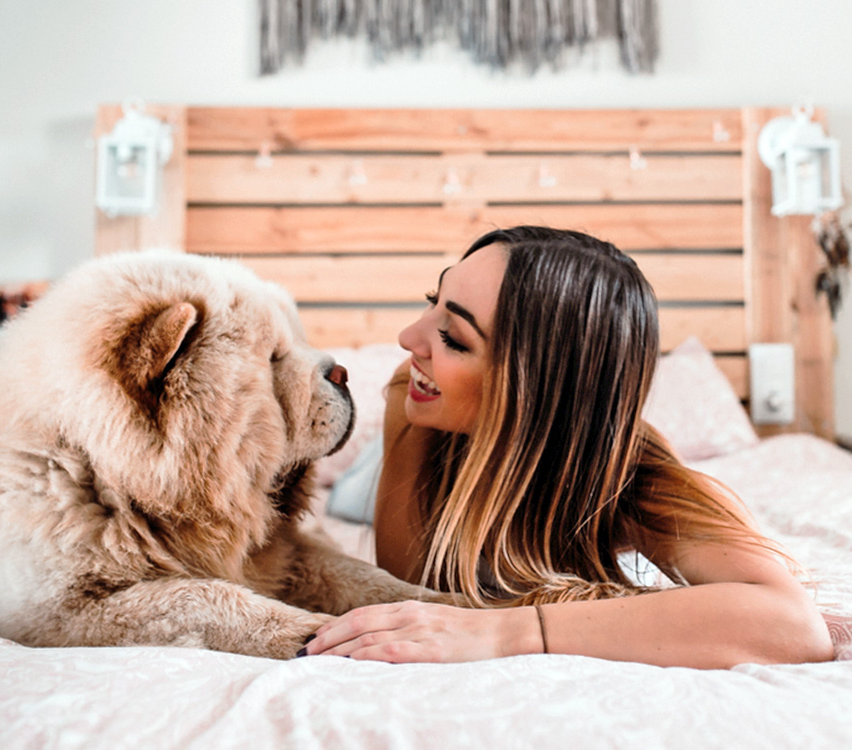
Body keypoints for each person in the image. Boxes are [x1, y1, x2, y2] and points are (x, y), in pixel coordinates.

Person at [302, 225, 834, 668]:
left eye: (454, 338)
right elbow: (414, 589)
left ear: (541, 389)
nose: (409, 337)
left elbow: (794, 625)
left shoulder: (636, 479)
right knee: (347, 493)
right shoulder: (411, 393)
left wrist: (513, 632)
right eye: (431, 304)